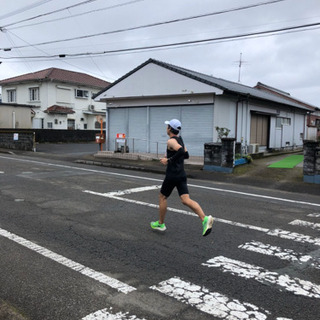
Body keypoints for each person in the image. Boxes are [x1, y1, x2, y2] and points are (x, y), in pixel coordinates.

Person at [151, 119, 214, 236]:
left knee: (162, 197)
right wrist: (172, 156)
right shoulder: (180, 140)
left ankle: (160, 223)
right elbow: (186, 155)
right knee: (185, 200)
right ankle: (204, 219)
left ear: (170, 129)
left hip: (172, 175)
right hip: (181, 174)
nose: (166, 128)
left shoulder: (171, 141)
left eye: (167, 126)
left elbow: (180, 151)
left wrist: (168, 160)